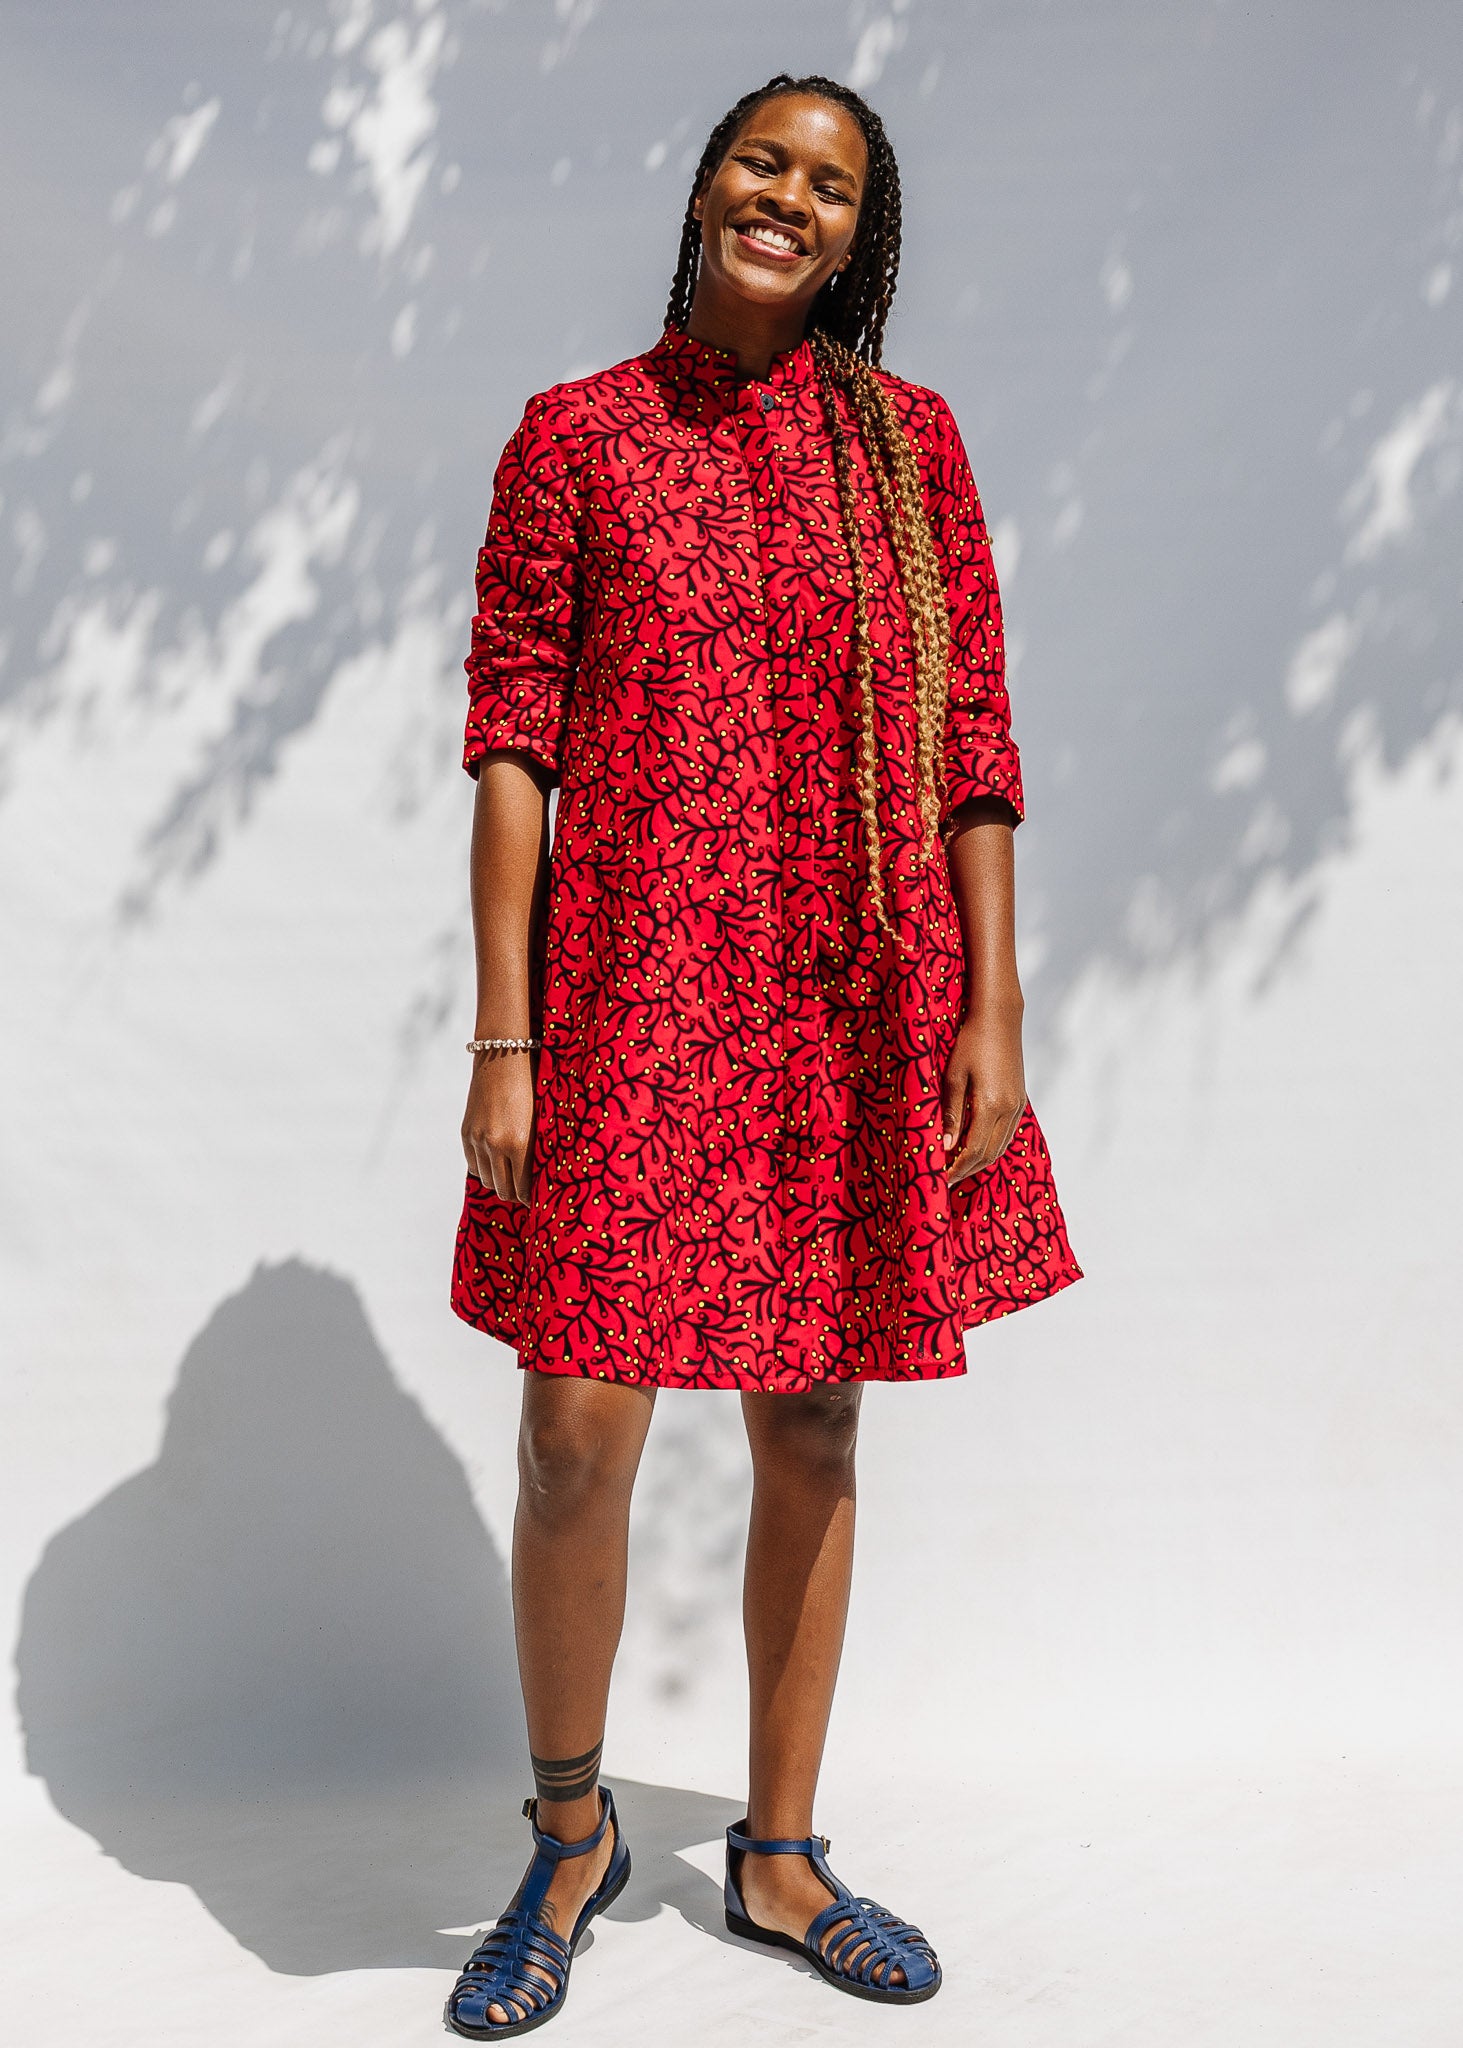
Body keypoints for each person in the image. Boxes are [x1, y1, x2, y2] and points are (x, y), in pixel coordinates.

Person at [442, 70, 1082, 2037]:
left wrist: (994, 1001)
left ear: (855, 237)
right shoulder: (575, 441)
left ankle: (781, 1850)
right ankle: (568, 1836)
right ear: (705, 181)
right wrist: (507, 1030)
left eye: (827, 184)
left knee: (813, 1422)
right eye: (761, 162)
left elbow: (971, 744)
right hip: (632, 996)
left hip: (837, 999)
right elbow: (513, 745)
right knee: (575, 1435)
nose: (784, 199)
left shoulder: (909, 450)